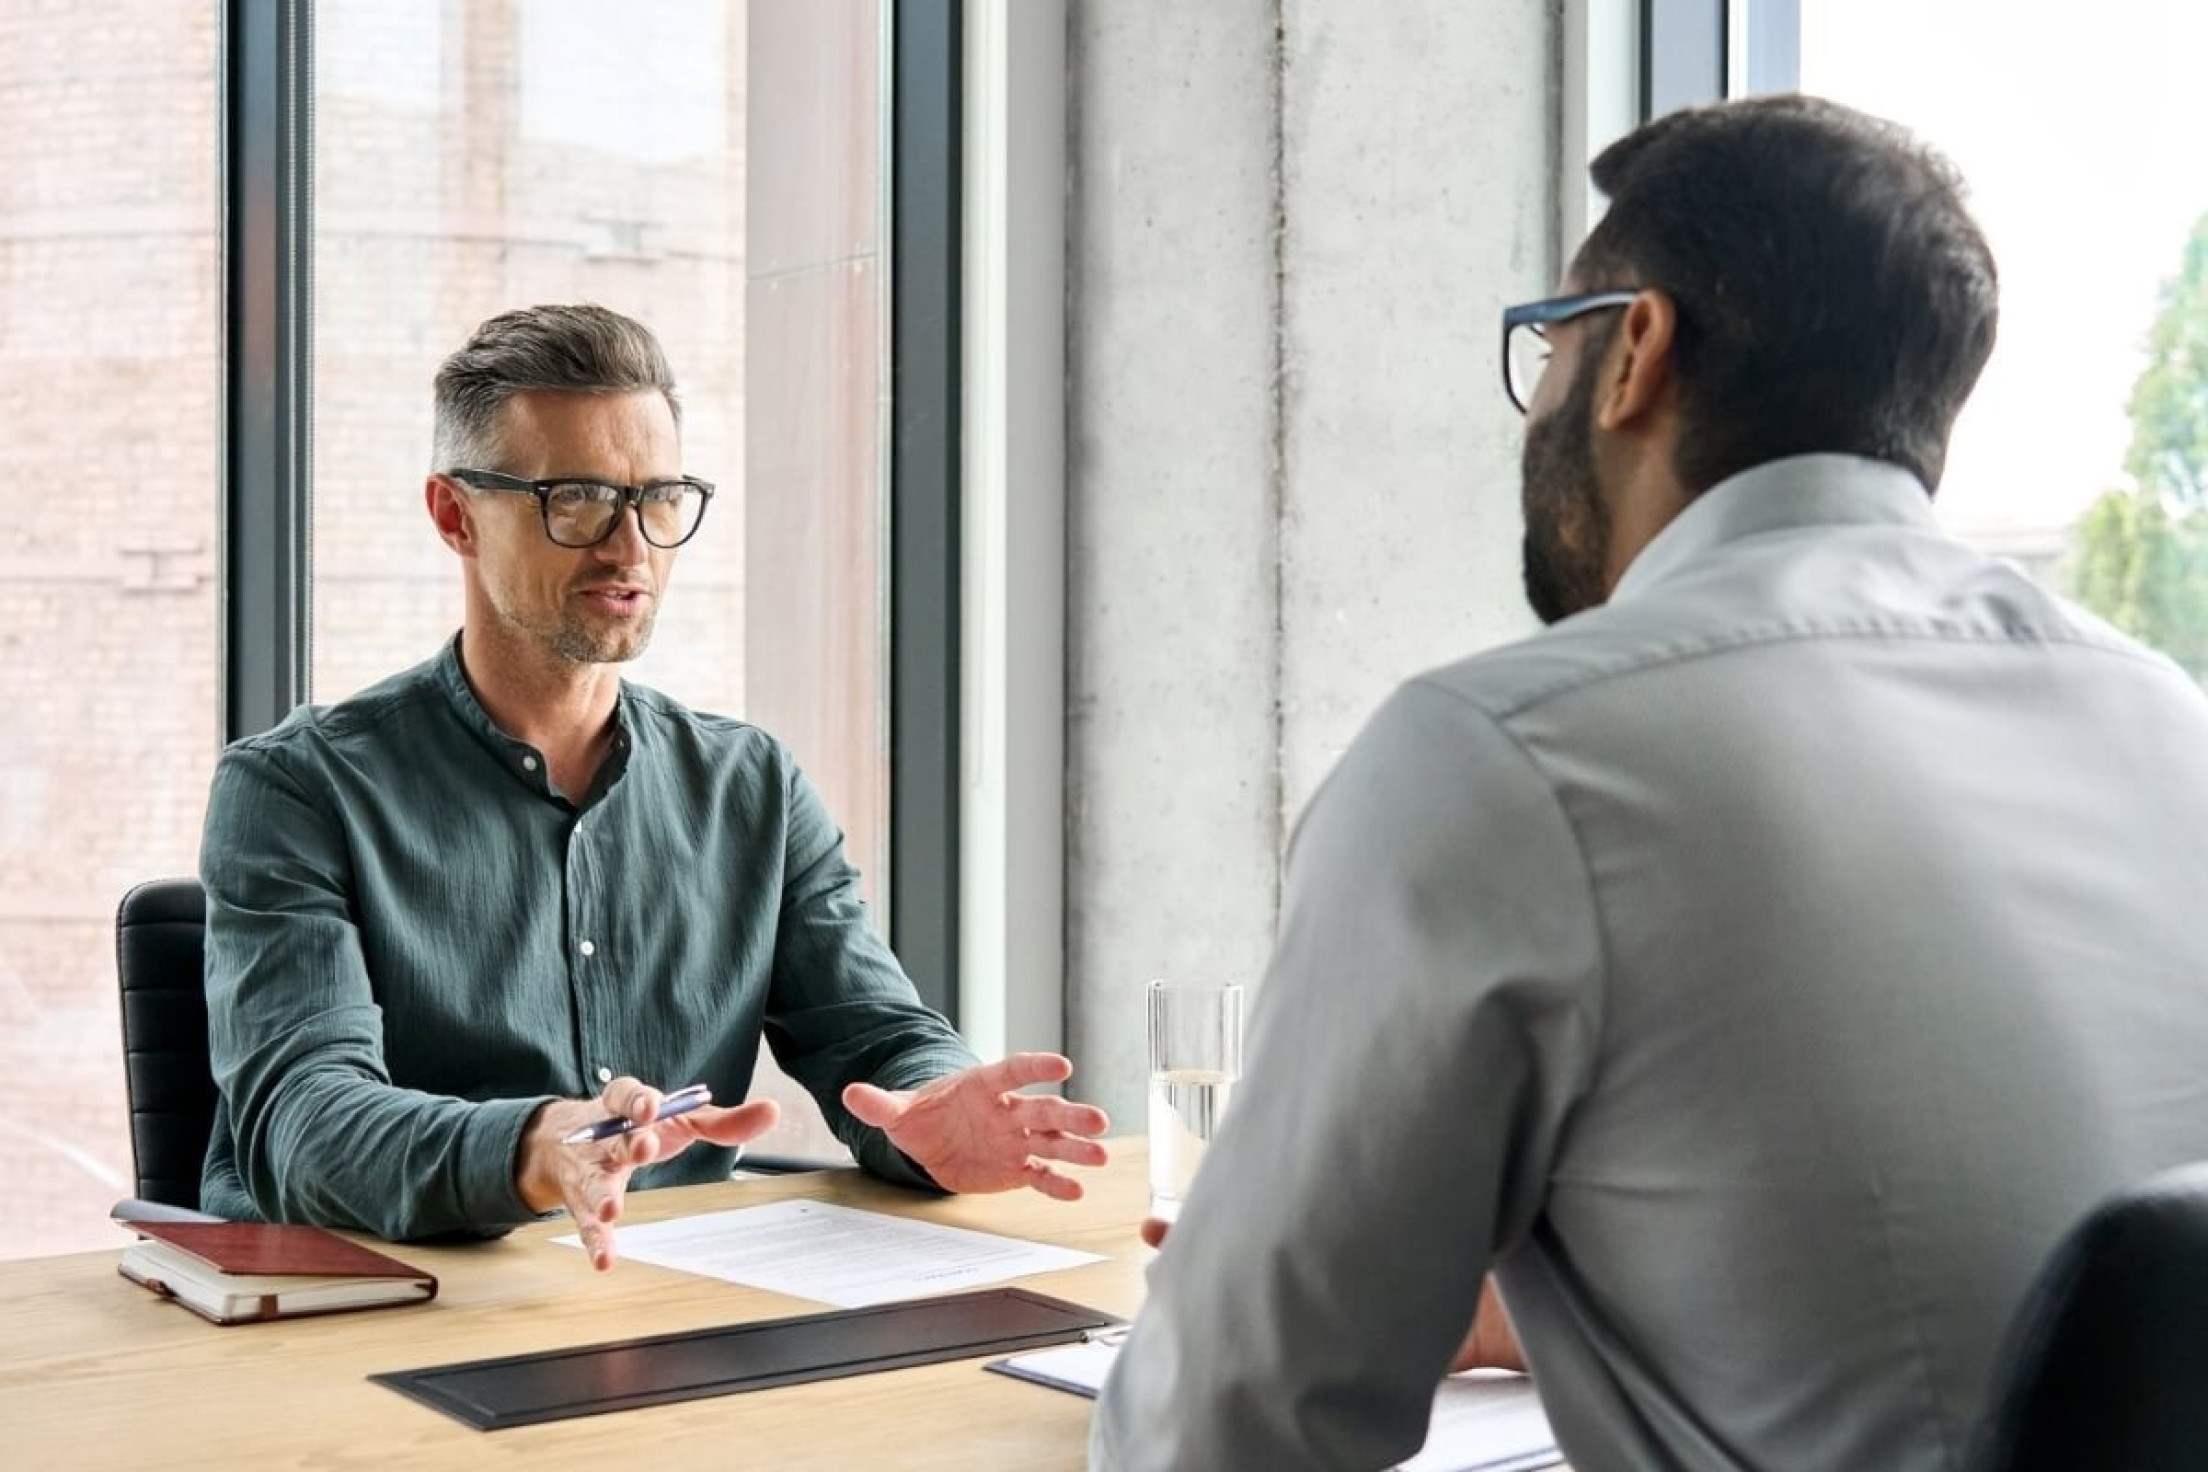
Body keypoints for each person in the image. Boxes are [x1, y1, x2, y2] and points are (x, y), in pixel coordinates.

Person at [1093, 94, 2208, 1470]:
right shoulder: (2166, 722)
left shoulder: (1508, 759)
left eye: (1546, 347)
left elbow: (1219, 1436)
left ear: (1634, 351)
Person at [199, 304, 1108, 1264]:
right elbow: (304, 1125)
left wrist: (930, 1105)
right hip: (378, 1326)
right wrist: (535, 1149)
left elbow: (877, 1040)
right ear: (454, 514)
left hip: (662, 1307)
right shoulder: (297, 790)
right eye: (579, 497)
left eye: (660, 497)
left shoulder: (749, 785)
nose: (630, 547)